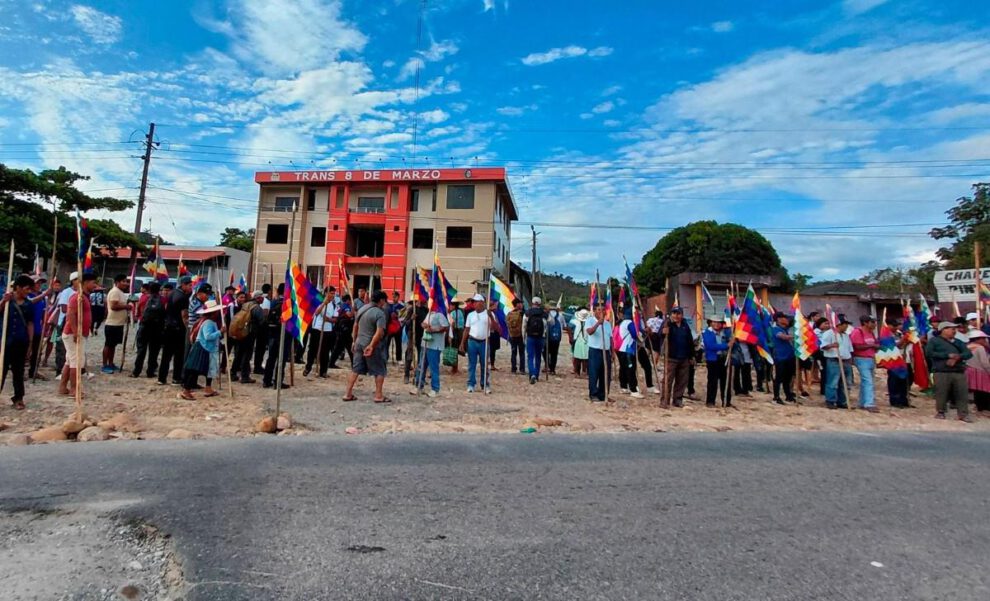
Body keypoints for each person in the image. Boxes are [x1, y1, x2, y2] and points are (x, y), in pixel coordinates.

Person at [343, 290, 390, 403]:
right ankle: (378, 395)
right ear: (382, 300)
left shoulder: (362, 309)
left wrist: (354, 341)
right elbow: (379, 332)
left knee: (355, 369)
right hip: (371, 345)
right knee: (380, 370)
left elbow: (355, 326)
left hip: (359, 342)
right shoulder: (380, 313)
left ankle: (348, 393)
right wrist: (371, 346)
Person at [58, 273, 96, 397]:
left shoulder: (84, 297)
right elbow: (70, 315)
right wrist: (75, 332)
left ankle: (63, 387)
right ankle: (74, 389)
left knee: (70, 361)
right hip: (72, 334)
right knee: (76, 362)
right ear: (85, 283)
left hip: (77, 333)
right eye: (92, 282)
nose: (94, 285)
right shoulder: (77, 297)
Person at [926, 321, 973, 422]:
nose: (954, 331)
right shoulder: (934, 341)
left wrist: (958, 357)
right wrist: (947, 355)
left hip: (958, 371)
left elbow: (968, 353)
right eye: (952, 329)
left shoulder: (958, 342)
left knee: (962, 393)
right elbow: (929, 353)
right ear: (944, 330)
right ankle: (941, 411)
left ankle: (963, 414)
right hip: (941, 371)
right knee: (941, 392)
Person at [1, 275, 36, 409]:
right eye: (27, 289)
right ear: (18, 287)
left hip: (21, 342)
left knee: (18, 371)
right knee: (1, 369)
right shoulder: (7, 300)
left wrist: (30, 343)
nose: (28, 291)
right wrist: (4, 301)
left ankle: (18, 398)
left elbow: (30, 324)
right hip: (5, 341)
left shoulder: (28, 304)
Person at [179, 299, 225, 400]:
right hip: (202, 348)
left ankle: (208, 388)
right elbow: (208, 336)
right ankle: (186, 391)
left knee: (210, 369)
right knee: (194, 370)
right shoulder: (208, 323)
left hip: (208, 349)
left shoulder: (209, 321)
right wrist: (220, 332)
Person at [460, 293, 499, 393]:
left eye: (476, 302)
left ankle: (485, 384)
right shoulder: (470, 315)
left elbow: (496, 328)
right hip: (472, 342)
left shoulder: (489, 314)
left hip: (484, 342)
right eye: (473, 302)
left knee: (484, 365)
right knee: (471, 364)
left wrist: (491, 317)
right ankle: (471, 384)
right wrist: (462, 343)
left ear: (482, 303)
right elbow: (466, 329)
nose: (474, 304)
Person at [157, 276, 192, 385]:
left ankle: (161, 378)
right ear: (183, 285)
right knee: (178, 355)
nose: (191, 287)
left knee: (166, 355)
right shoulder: (183, 297)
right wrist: (188, 329)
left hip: (168, 327)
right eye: (190, 285)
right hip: (178, 329)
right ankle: (176, 378)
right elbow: (184, 315)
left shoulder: (172, 293)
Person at [416, 303, 450, 397]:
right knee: (421, 365)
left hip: (435, 346)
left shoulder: (440, 314)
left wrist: (433, 330)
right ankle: (419, 385)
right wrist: (424, 325)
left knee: (433, 368)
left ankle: (435, 389)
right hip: (425, 343)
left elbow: (445, 327)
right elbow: (424, 323)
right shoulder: (429, 313)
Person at [131, 281, 164, 378]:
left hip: (144, 326)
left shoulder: (144, 297)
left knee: (141, 349)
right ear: (159, 290)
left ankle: (136, 371)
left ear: (149, 289)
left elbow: (138, 312)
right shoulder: (163, 299)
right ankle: (150, 371)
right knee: (154, 350)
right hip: (157, 327)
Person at [662, 307, 693, 407]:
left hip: (684, 357)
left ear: (682, 315)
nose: (676, 316)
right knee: (668, 380)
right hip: (671, 357)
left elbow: (690, 341)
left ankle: (677, 399)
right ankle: (664, 400)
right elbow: (658, 336)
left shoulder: (685, 325)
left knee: (682, 380)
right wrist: (663, 333)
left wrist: (691, 356)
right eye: (674, 313)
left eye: (678, 313)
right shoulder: (667, 324)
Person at [263, 283, 291, 389]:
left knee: (271, 358)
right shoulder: (288, 304)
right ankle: (278, 381)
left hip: (272, 333)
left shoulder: (273, 302)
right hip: (284, 334)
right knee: (281, 359)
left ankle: (266, 380)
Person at [820, 317, 853, 409]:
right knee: (833, 382)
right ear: (839, 324)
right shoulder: (829, 333)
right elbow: (822, 346)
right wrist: (832, 345)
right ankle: (830, 401)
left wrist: (850, 360)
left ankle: (842, 401)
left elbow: (849, 349)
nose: (847, 326)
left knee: (845, 383)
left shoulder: (846, 335)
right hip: (834, 360)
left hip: (846, 360)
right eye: (845, 324)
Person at [233, 291, 265, 384]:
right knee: (247, 355)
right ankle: (245, 376)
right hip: (250, 334)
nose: (263, 299)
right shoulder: (257, 308)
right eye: (262, 297)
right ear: (258, 298)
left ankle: (233, 373)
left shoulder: (246, 304)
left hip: (241, 331)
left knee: (238, 354)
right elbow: (262, 321)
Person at [305, 287, 337, 378]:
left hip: (327, 331)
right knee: (312, 350)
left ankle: (323, 371)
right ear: (326, 293)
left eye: (334, 293)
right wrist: (324, 303)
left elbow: (335, 319)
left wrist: (329, 319)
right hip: (317, 329)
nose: (333, 295)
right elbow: (316, 312)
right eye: (331, 293)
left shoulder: (334, 305)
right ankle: (308, 367)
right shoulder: (318, 301)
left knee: (325, 352)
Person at [849, 315, 879, 412]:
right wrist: (872, 345)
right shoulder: (858, 332)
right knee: (868, 381)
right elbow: (856, 346)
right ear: (865, 323)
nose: (875, 324)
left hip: (870, 358)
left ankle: (862, 402)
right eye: (872, 322)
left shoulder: (871, 333)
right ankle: (869, 403)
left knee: (866, 381)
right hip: (861, 358)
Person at [702, 316, 732, 407]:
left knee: (725, 380)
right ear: (711, 323)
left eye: (719, 322)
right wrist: (726, 345)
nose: (716, 324)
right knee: (712, 381)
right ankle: (710, 401)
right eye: (714, 322)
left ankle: (726, 401)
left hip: (723, 359)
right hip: (712, 360)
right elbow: (711, 346)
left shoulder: (724, 333)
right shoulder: (707, 332)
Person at [102, 274, 130, 374]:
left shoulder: (120, 292)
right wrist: (127, 306)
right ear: (117, 282)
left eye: (126, 281)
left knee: (113, 345)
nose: (125, 283)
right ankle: (105, 365)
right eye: (123, 281)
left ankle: (111, 363)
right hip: (112, 323)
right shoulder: (114, 292)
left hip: (119, 323)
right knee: (108, 345)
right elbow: (114, 306)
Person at [585, 304, 613, 402]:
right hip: (595, 351)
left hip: (606, 351)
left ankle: (603, 394)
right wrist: (598, 324)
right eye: (599, 310)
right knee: (594, 373)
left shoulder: (608, 324)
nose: (601, 312)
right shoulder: (590, 320)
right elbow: (589, 332)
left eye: (603, 310)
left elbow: (610, 338)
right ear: (595, 311)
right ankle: (593, 394)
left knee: (605, 374)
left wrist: (612, 352)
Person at [770, 312, 797, 405]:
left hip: (789, 356)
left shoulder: (785, 329)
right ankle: (776, 397)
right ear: (779, 319)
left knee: (788, 378)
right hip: (780, 357)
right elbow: (782, 337)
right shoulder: (775, 329)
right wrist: (794, 337)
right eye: (784, 318)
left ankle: (788, 395)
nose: (787, 320)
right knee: (779, 378)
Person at [617, 307, 644, 399]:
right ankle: (633, 390)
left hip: (623, 349)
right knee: (630, 369)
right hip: (628, 349)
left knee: (624, 368)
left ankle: (624, 386)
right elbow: (635, 334)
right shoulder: (629, 323)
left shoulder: (623, 323)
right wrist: (643, 336)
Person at [886, 317, 911, 408]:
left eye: (897, 325)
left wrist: (906, 341)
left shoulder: (899, 333)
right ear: (888, 325)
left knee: (903, 381)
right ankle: (895, 401)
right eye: (894, 325)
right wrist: (903, 339)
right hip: (892, 360)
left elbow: (902, 346)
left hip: (901, 359)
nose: (896, 327)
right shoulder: (886, 334)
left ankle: (903, 400)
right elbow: (895, 345)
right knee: (894, 381)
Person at [26, 275, 47, 380]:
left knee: (36, 352)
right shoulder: (27, 295)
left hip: (38, 328)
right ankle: (20, 372)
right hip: (27, 328)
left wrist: (45, 323)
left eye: (40, 283)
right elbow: (30, 301)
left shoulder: (42, 297)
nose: (38, 285)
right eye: (36, 283)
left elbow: (43, 312)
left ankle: (33, 371)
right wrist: (44, 294)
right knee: (24, 352)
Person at [403, 300, 428, 385]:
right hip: (412, 334)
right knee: (409, 354)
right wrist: (411, 319)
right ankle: (406, 375)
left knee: (421, 356)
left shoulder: (426, 310)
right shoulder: (411, 309)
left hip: (421, 335)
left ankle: (419, 376)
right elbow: (405, 322)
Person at [522, 297, 546, 384]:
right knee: (538, 356)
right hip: (540, 337)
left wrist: (523, 337)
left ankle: (531, 374)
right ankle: (536, 375)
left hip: (530, 337)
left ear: (532, 303)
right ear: (540, 304)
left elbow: (524, 326)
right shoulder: (543, 313)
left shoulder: (527, 313)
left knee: (530, 356)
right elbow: (552, 322)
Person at [966, 330, 990, 412]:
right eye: (983, 339)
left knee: (976, 390)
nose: (985, 340)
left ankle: (979, 406)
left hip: (970, 370)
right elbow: (984, 362)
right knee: (985, 389)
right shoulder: (980, 348)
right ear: (977, 339)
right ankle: (985, 407)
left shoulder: (968, 346)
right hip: (980, 371)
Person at [329, 294, 355, 369]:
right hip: (344, 330)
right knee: (350, 348)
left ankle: (331, 363)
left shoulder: (343, 305)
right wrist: (353, 309)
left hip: (344, 330)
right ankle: (354, 365)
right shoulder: (345, 306)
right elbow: (349, 315)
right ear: (348, 300)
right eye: (350, 300)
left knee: (338, 348)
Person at [546, 300, 569, 376]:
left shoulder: (546, 314)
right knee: (554, 354)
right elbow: (565, 326)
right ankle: (552, 369)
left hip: (547, 337)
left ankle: (548, 365)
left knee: (545, 352)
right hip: (556, 338)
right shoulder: (561, 315)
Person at [506, 298, 525, 374]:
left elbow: (507, 324)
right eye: (520, 303)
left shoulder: (509, 314)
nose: (522, 304)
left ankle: (513, 368)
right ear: (518, 304)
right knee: (522, 353)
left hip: (512, 335)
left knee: (513, 352)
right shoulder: (522, 313)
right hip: (520, 335)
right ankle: (522, 369)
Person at [731, 333, 754, 397]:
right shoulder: (735, 329)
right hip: (737, 354)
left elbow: (753, 339)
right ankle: (737, 390)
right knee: (736, 373)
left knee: (746, 372)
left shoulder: (749, 328)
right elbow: (739, 339)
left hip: (747, 354)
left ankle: (745, 390)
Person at [570, 307, 590, 376]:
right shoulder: (589, 322)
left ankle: (577, 372)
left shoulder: (575, 321)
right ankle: (585, 371)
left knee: (577, 358)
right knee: (586, 358)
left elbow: (569, 326)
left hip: (578, 340)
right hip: (586, 341)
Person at [448, 299, 466, 374]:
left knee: (453, 349)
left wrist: (450, 336)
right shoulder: (460, 312)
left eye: (451, 305)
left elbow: (452, 324)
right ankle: (455, 367)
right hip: (460, 332)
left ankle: (454, 368)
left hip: (454, 332)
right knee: (456, 350)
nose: (450, 306)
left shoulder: (452, 313)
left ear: (454, 305)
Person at [488, 300, 501, 372]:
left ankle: (491, 364)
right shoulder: (491, 314)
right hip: (492, 333)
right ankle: (491, 364)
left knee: (493, 350)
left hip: (494, 333)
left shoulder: (494, 314)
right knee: (492, 350)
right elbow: (493, 325)